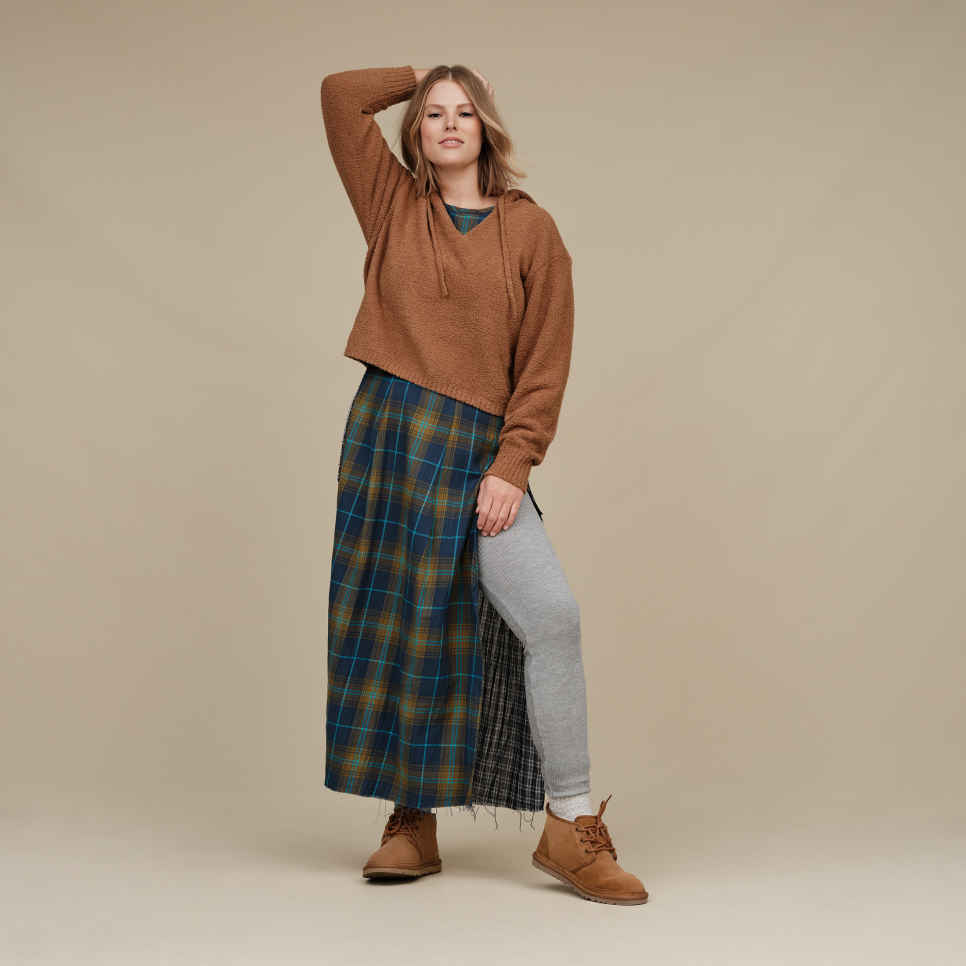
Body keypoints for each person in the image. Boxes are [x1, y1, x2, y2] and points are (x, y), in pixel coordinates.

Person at [320, 64, 648, 905]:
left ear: (487, 126)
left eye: (465, 110)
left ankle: (570, 825)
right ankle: (411, 820)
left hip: (479, 447)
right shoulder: (393, 206)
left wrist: (512, 466)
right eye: (433, 112)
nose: (449, 123)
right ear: (416, 131)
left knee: (551, 617)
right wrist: (422, 71)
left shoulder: (531, 230)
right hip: (392, 438)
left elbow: (544, 364)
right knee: (409, 623)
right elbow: (339, 96)